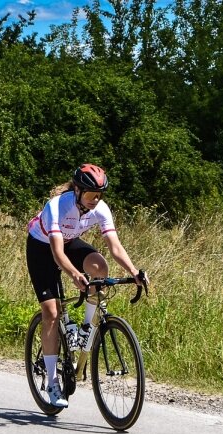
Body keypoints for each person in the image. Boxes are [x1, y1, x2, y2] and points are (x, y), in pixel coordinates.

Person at [26, 163, 149, 407]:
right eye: (91, 195)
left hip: (68, 242)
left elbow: (115, 247)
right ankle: (52, 383)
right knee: (51, 312)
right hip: (42, 248)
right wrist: (73, 274)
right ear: (79, 191)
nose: (95, 200)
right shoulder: (57, 206)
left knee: (100, 267)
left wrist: (134, 271)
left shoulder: (101, 209)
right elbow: (57, 252)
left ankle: (85, 329)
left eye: (99, 195)